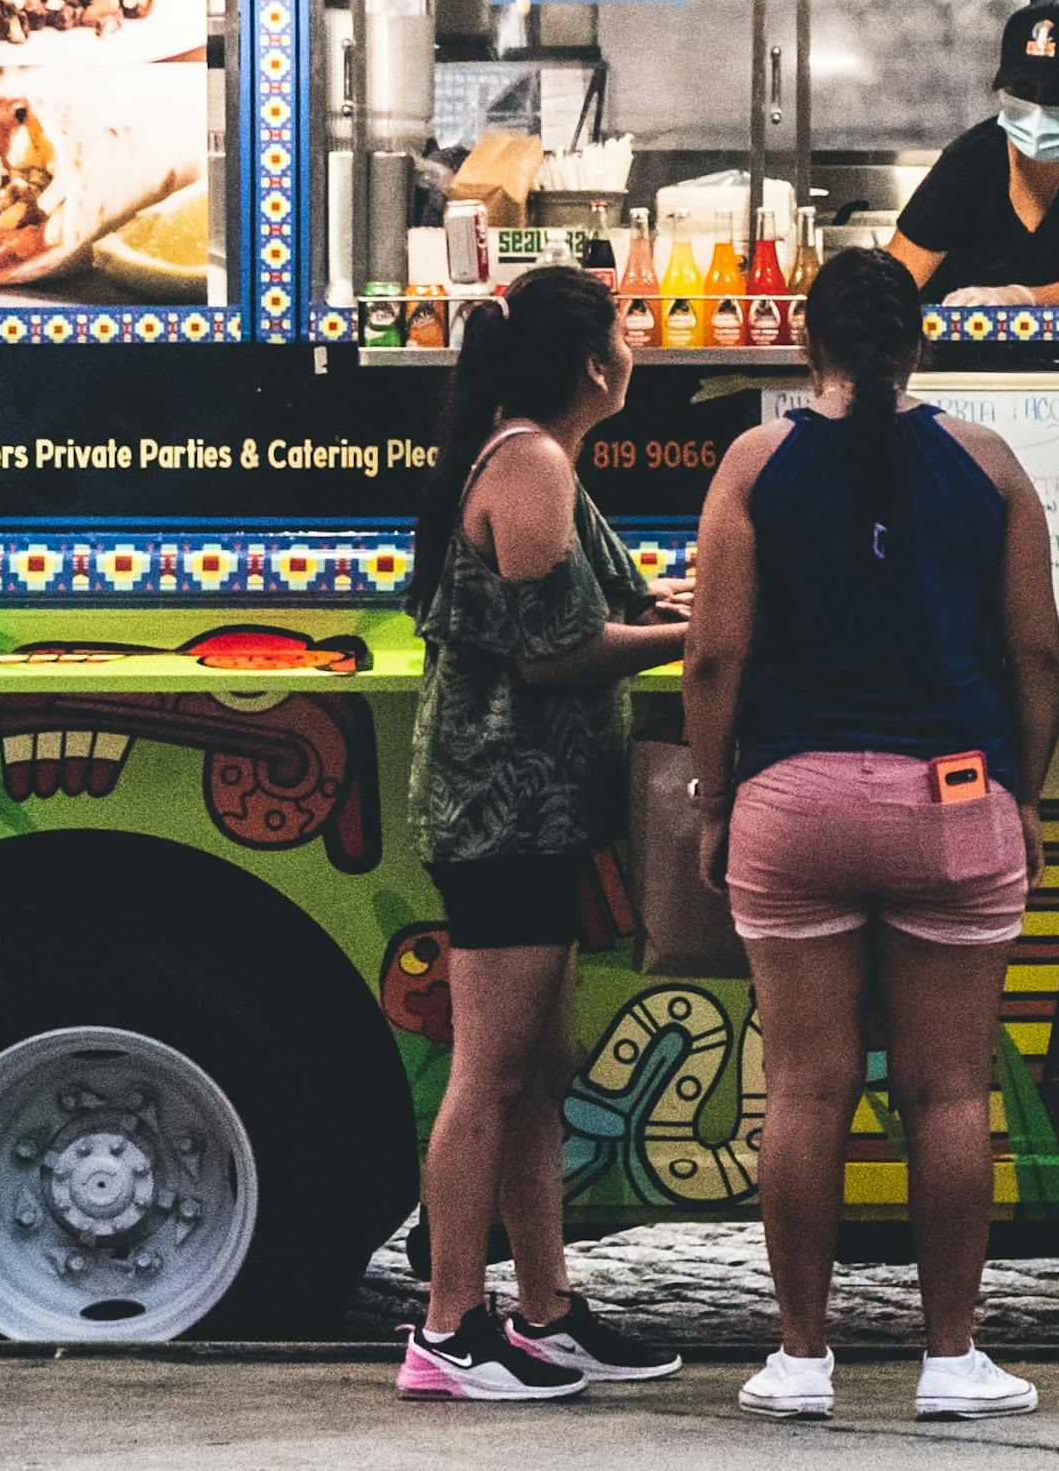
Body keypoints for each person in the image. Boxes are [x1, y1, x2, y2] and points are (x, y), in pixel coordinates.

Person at [679, 248, 1059, 1423]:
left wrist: (711, 795)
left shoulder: (755, 461)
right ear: (920, 345)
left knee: (803, 1088)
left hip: (792, 803)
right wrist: (1025, 792)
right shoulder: (989, 464)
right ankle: (951, 1358)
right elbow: (1037, 652)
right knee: (949, 1094)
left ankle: (799, 1357)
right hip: (953, 800)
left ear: (810, 349)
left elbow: (713, 653)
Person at [393, 265, 693, 1401]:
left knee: (538, 1068)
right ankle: (448, 1325)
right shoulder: (532, 460)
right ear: (589, 361)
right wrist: (690, 631)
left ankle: (545, 1306)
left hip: (535, 808)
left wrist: (653, 610)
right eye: (626, 329)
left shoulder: (533, 453)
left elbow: (558, 616)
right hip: (502, 809)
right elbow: (550, 653)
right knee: (492, 1068)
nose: (637, 347)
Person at [889, 0, 1059, 306]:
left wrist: (1018, 297)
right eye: (1023, 91)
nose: (1038, 109)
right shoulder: (967, 163)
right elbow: (889, 286)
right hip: (963, 346)